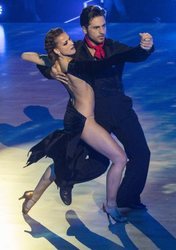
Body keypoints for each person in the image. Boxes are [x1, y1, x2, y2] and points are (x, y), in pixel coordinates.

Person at [20, 28, 144, 222]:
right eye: (65, 43)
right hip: (85, 120)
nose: (71, 43)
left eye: (69, 39)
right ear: (58, 50)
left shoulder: (57, 62)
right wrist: (133, 51)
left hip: (77, 115)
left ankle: (32, 198)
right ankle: (111, 206)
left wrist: (51, 67)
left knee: (69, 163)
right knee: (119, 158)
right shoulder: (72, 64)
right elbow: (99, 66)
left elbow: (26, 55)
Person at [37, 5, 154, 210]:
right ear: (84, 29)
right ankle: (64, 178)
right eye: (95, 27)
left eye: (103, 26)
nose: (101, 31)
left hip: (120, 110)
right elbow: (45, 60)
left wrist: (146, 47)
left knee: (142, 154)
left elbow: (133, 55)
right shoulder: (74, 51)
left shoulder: (112, 47)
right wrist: (51, 72)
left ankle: (126, 199)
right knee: (97, 165)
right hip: (97, 117)